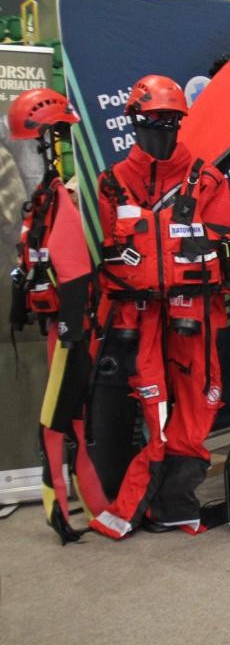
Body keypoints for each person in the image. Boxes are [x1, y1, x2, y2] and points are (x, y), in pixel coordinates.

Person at [89, 75, 230, 539]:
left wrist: (202, 261)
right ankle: (142, 503)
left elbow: (229, 247)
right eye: (154, 119)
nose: (163, 128)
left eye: (171, 120)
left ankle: (174, 503)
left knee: (198, 405)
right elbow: (107, 254)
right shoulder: (111, 184)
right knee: (153, 410)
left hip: (194, 311)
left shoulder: (207, 179)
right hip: (136, 318)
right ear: (135, 122)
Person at [7, 88, 111, 543]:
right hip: (60, 331)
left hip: (70, 335)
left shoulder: (61, 206)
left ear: (47, 141)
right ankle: (98, 509)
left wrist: (70, 335)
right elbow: (36, 266)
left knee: (54, 425)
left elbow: (75, 276)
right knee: (73, 424)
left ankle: (60, 514)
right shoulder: (44, 202)